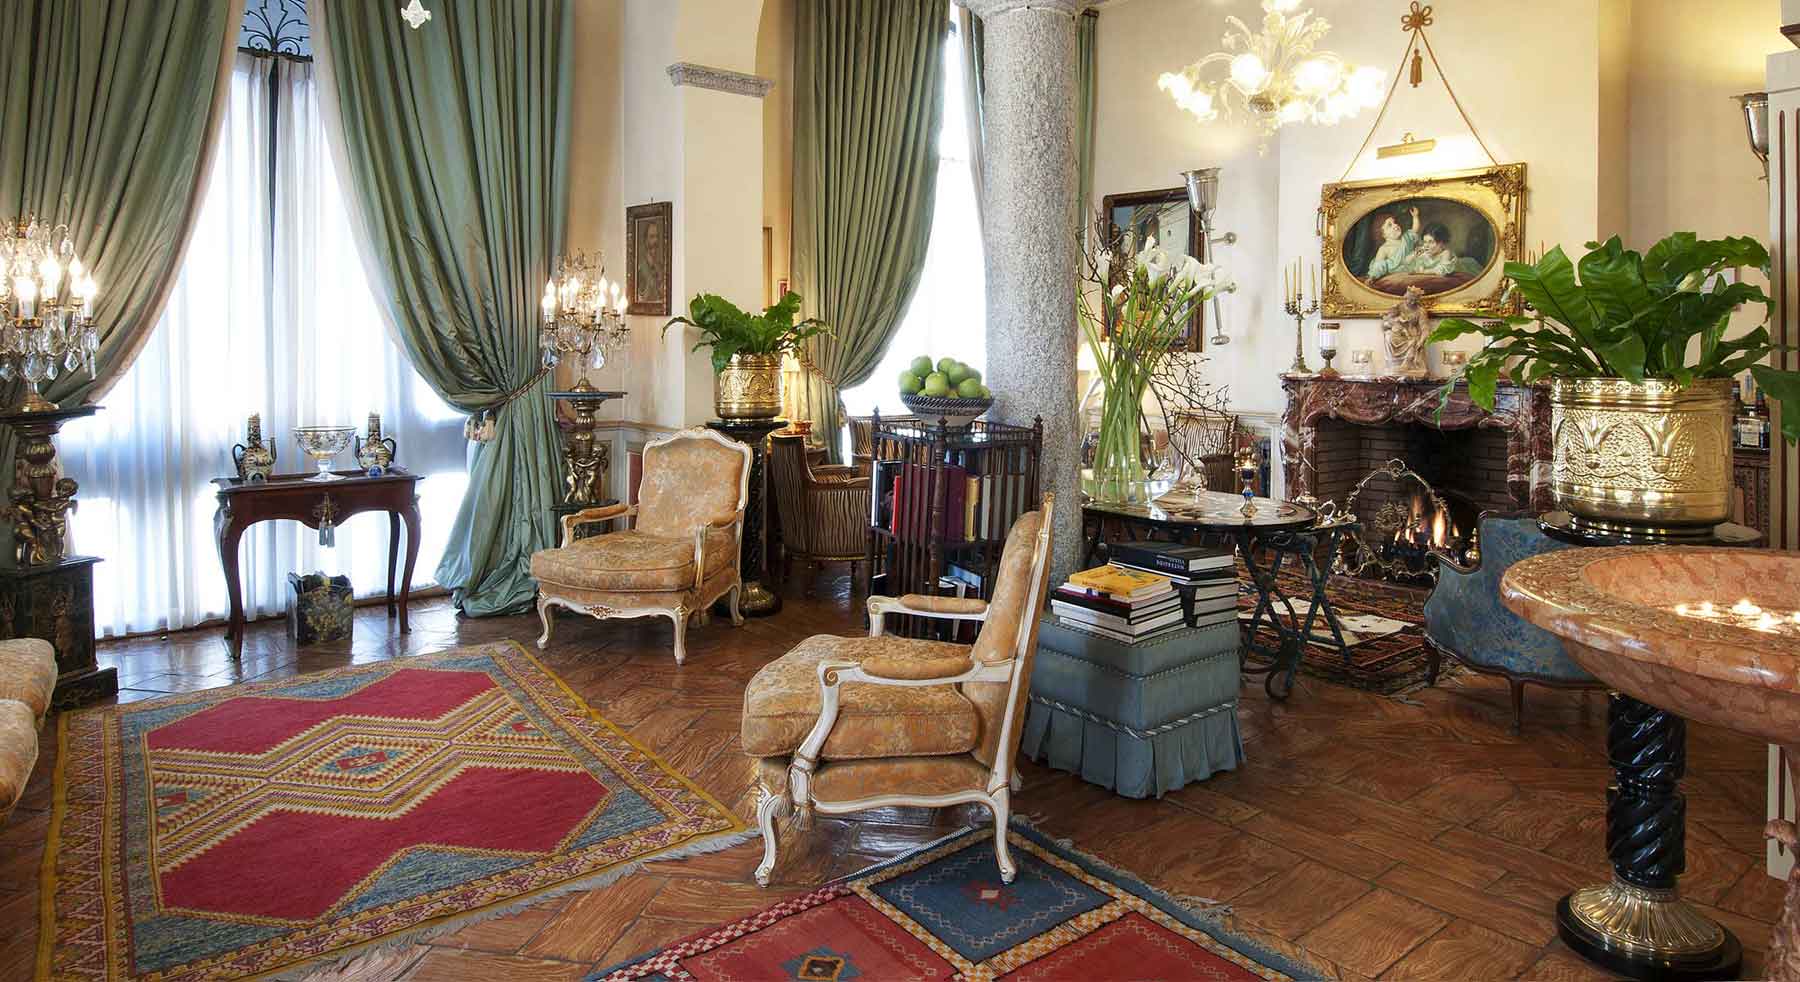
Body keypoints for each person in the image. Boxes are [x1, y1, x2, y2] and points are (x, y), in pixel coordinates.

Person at [1364, 205, 1421, 280]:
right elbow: (1378, 266)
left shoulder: (1406, 238)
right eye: (1389, 225)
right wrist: (1372, 277)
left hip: (1413, 268)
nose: (1395, 225)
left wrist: (1415, 217)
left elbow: (1415, 230)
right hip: (1396, 273)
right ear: (1383, 234)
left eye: (1395, 222)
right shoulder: (1384, 249)